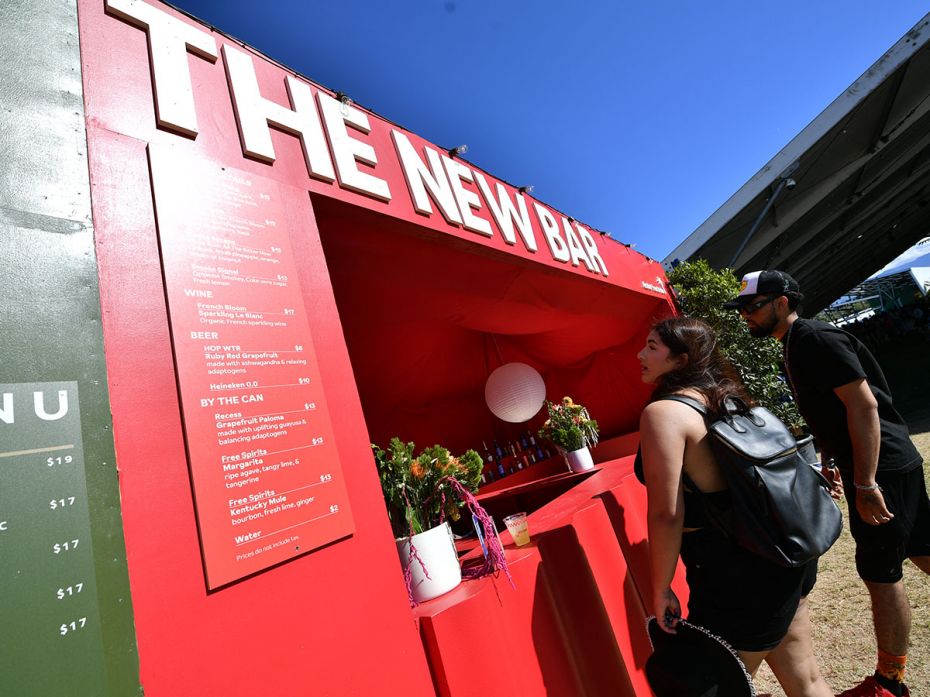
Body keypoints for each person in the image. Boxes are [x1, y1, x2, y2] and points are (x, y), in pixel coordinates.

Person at [727, 269, 930, 697]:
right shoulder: (796, 344)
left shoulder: (814, 339)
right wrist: (830, 459)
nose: (745, 315)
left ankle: (889, 684)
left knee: (881, 574)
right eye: (743, 308)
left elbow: (864, 406)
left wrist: (866, 481)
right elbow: (832, 412)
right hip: (885, 462)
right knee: (921, 548)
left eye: (752, 306)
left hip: (883, 467)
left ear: (782, 302)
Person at [636, 316, 832, 696]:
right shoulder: (730, 399)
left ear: (680, 359)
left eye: (652, 346)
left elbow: (666, 514)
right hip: (782, 555)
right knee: (805, 679)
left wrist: (660, 588)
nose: (640, 354)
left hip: (737, 576)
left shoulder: (663, 413)